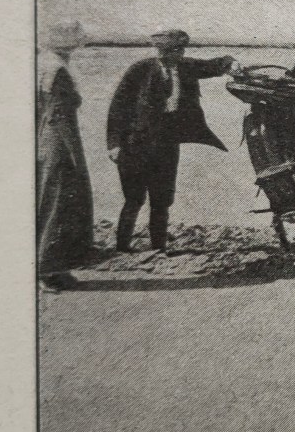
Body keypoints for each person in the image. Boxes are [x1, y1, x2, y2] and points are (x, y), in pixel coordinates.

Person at [107, 30, 238, 253]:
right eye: (162, 51)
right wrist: (114, 144)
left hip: (167, 145)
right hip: (134, 145)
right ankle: (122, 248)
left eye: (173, 51)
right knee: (134, 199)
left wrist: (231, 64)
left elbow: (214, 65)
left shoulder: (186, 67)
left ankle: (158, 248)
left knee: (162, 200)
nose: (165, 55)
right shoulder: (139, 70)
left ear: (181, 51)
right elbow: (118, 107)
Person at [37, 20, 94, 292]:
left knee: (53, 199)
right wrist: (74, 153)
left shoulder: (44, 63)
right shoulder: (57, 69)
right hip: (60, 139)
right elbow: (59, 114)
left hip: (47, 136)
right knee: (58, 201)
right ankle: (46, 269)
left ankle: (55, 267)